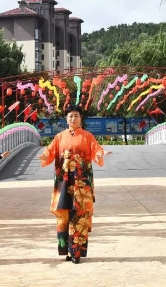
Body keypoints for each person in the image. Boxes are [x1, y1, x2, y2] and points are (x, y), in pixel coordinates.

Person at [37, 105, 111, 264]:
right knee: (64, 216)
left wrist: (100, 155)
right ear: (66, 118)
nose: (73, 119)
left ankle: (76, 253)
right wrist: (44, 157)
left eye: (76, 116)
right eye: (70, 116)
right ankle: (67, 250)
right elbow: (49, 152)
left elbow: (96, 150)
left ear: (80, 118)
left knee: (80, 216)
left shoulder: (88, 136)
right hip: (64, 182)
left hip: (82, 184)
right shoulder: (59, 137)